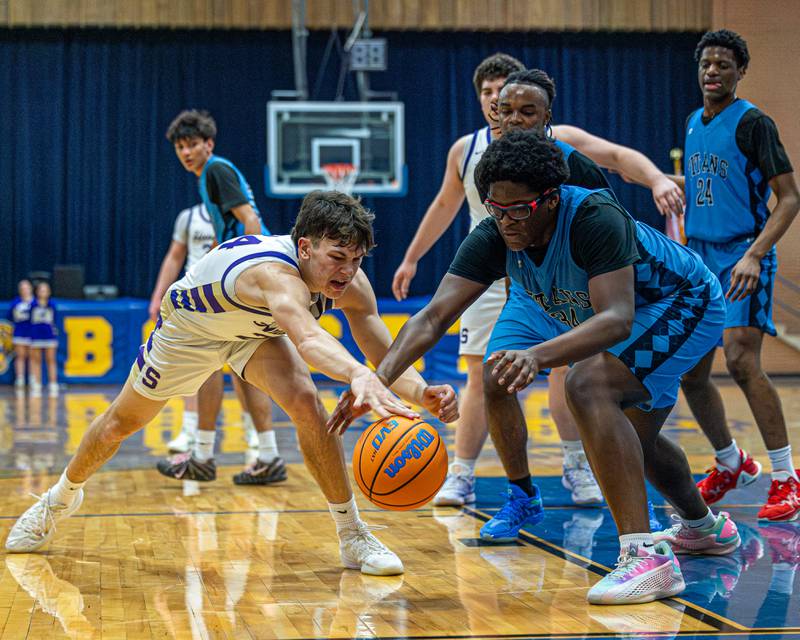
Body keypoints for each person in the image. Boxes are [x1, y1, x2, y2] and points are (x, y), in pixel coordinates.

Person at [334, 131, 740, 604]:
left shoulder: (592, 216)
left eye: (518, 210)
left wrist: (539, 356)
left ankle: (646, 559)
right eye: (495, 209)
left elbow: (616, 318)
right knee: (632, 438)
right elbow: (432, 317)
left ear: (551, 199)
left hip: (681, 300)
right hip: (616, 312)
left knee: (588, 387)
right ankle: (704, 528)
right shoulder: (495, 233)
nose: (505, 221)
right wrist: (375, 381)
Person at [6, 190, 458, 579]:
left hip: (250, 335)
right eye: (337, 257)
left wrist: (420, 392)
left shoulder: (348, 280)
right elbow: (308, 339)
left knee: (306, 403)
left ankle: (352, 534)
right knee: (118, 427)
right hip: (191, 330)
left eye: (357, 259)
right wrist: (358, 374)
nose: (347, 270)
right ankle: (57, 500)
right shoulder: (275, 275)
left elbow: (377, 340)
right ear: (304, 247)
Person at [672, 30, 800, 522]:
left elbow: (789, 197)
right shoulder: (692, 123)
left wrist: (755, 255)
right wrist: (662, 182)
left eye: (723, 65)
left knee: (743, 360)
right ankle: (731, 462)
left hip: (744, 253)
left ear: (740, 71)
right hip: (700, 259)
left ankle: (786, 477)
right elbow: (713, 182)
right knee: (691, 371)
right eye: (706, 64)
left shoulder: (754, 123)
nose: (712, 72)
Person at [160, 110, 281, 484]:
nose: (186, 152)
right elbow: (228, 230)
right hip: (257, 277)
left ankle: (202, 453)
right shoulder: (210, 176)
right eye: (180, 146)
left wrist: (240, 273)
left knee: (206, 357)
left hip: (249, 277)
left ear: (208, 144)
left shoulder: (215, 170)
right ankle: (269, 456)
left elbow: (250, 223)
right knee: (247, 370)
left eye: (192, 144)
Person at [148, 203, 264, 463]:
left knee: (242, 370)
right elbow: (175, 256)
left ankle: (252, 430)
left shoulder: (242, 215)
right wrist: (158, 296)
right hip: (197, 296)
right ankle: (189, 431)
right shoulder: (188, 216)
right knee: (196, 368)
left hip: (231, 295)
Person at [29, 282, 58, 398]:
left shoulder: (52, 305)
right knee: (36, 360)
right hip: (36, 336)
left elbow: (54, 320)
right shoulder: (32, 304)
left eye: (46, 290)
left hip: (49, 335)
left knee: (51, 360)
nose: (43, 292)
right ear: (37, 292)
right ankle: (37, 383)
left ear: (49, 292)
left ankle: (53, 383)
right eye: (41, 290)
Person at [8, 279, 33, 393]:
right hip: (19, 332)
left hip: (33, 333)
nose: (25, 290)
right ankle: (20, 378)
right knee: (20, 356)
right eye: (22, 288)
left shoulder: (35, 302)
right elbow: (10, 316)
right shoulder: (16, 302)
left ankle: (33, 378)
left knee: (33, 357)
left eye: (26, 288)